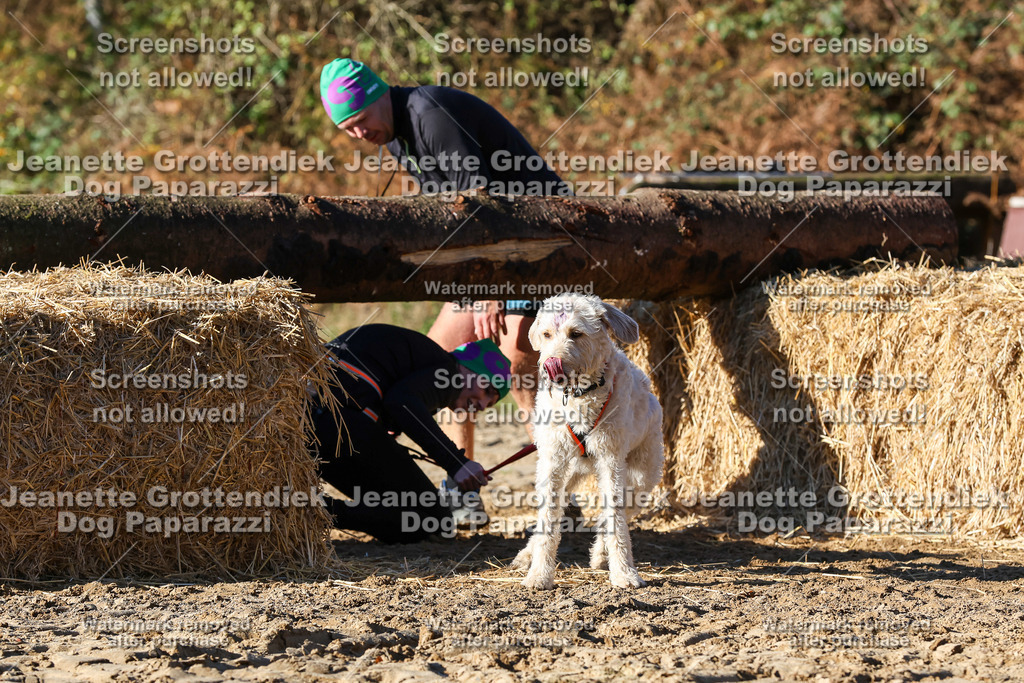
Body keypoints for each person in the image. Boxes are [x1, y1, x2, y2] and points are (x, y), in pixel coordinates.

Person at [319, 58, 571, 461]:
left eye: (362, 119)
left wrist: (491, 292)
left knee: (517, 360)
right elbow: (453, 218)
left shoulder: (431, 115)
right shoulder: (397, 136)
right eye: (348, 128)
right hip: (492, 259)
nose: (359, 133)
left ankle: (557, 492)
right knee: (435, 362)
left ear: (380, 92)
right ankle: (463, 482)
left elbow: (482, 207)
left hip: (542, 248)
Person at [309, 324, 511, 543]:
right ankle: (315, 512)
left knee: (414, 512)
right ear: (469, 368)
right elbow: (402, 403)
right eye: (487, 390)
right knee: (432, 520)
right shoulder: (450, 373)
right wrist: (456, 463)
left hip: (315, 424)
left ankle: (309, 510)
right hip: (337, 421)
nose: (481, 405)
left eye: (489, 404)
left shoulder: (427, 363)